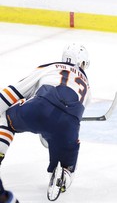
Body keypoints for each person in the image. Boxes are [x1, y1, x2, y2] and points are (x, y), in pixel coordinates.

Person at [0, 43, 91, 199]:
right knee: (67, 159)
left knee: (6, 118)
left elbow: (13, 92)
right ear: (82, 63)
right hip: (68, 126)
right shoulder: (88, 86)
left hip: (39, 108)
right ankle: (64, 173)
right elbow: (75, 117)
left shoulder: (49, 67)